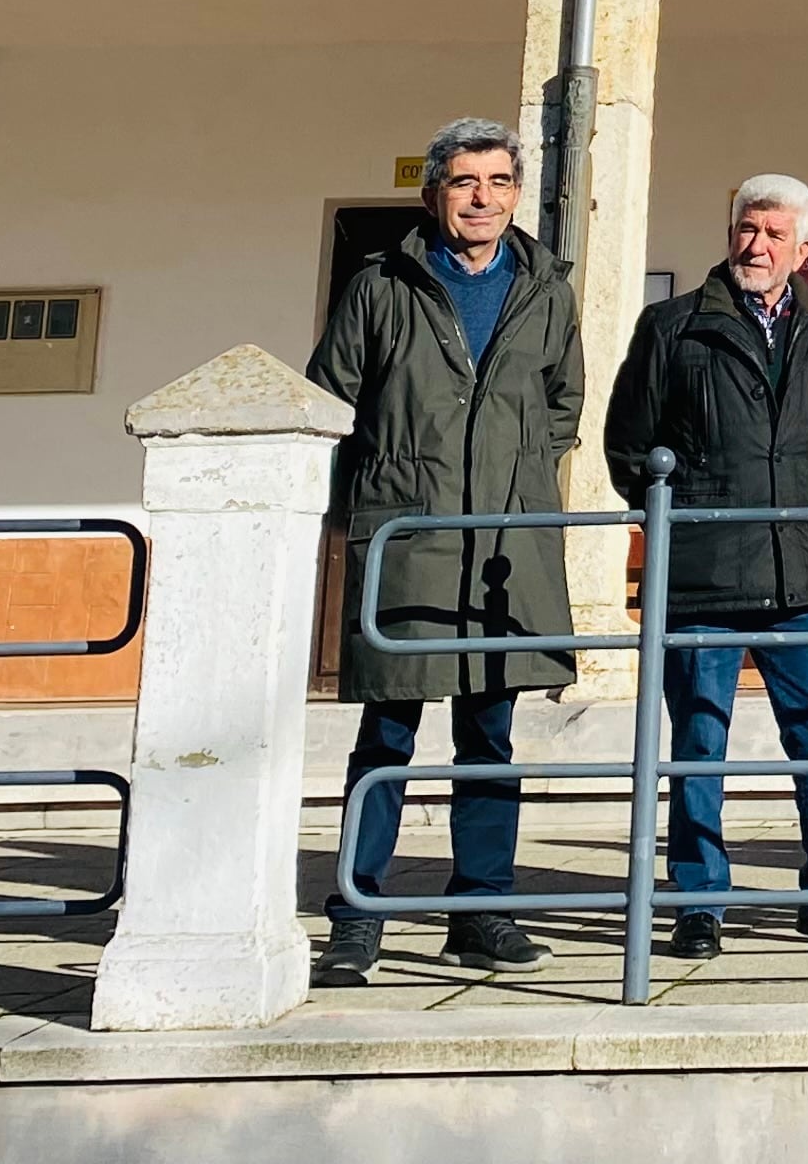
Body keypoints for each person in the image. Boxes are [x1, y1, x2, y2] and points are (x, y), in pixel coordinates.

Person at [306, 118, 583, 987]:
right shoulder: (380, 285)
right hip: (411, 537)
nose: (482, 199)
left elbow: (563, 406)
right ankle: (356, 916)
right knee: (386, 735)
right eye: (465, 182)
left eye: (499, 183)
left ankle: (481, 912)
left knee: (490, 737)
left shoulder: (547, 288)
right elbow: (330, 401)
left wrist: (514, 467)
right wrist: (394, 479)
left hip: (504, 545)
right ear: (434, 192)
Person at [601, 172, 808, 964]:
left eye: (773, 233)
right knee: (699, 745)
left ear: (806, 246)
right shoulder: (674, 326)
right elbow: (628, 444)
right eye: (745, 229)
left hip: (800, 570)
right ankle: (698, 902)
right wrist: (692, 507)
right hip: (704, 573)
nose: (755, 246)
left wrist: (792, 500)